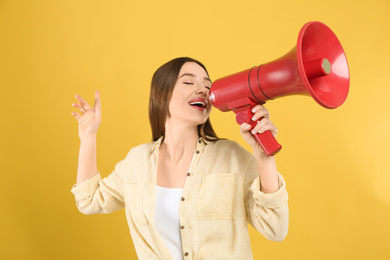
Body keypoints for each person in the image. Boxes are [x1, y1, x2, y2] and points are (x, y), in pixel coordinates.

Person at [71, 57, 289, 259]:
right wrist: (88, 137)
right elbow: (89, 201)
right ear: (162, 93)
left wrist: (264, 158)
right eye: (188, 82)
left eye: (207, 85)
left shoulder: (232, 157)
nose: (202, 90)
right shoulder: (136, 162)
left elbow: (275, 228)